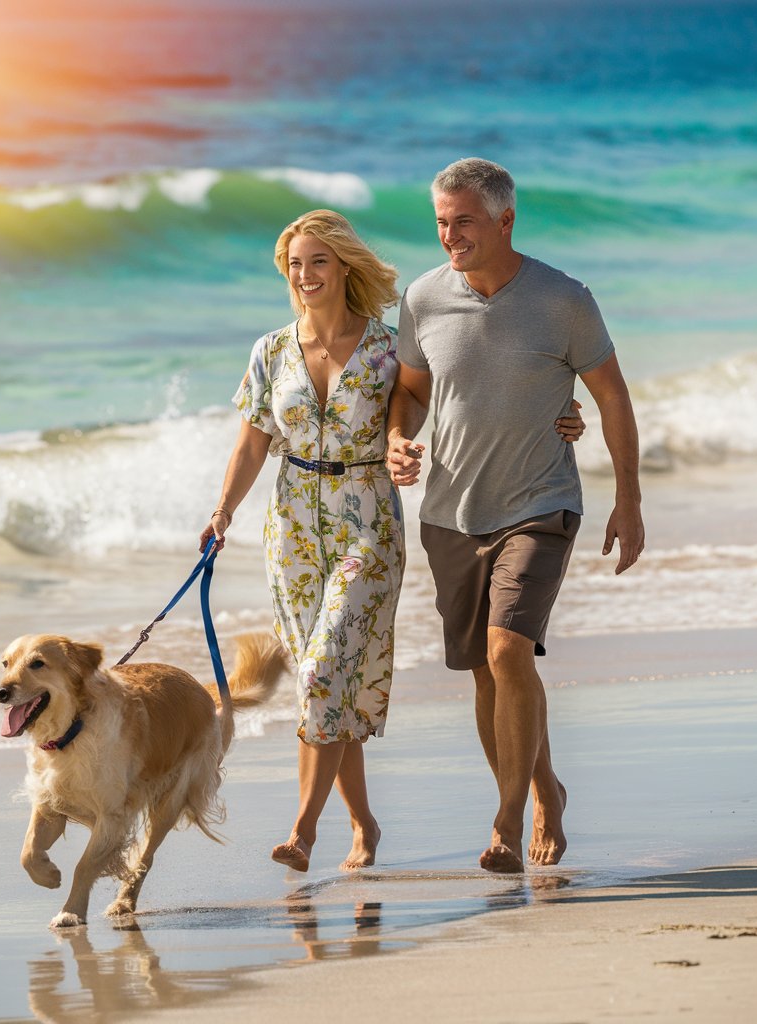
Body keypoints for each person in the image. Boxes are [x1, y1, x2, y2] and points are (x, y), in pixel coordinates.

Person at [201, 208, 587, 873]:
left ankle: (303, 830)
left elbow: (474, 385)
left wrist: (561, 409)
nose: (305, 273)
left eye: (319, 260)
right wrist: (222, 512)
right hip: (291, 525)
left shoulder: (388, 347)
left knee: (325, 669)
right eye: (295, 262)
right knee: (325, 687)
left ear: (345, 267)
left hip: (366, 520)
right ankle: (363, 823)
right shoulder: (270, 350)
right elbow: (252, 442)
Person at [386, 158, 645, 875]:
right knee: (485, 672)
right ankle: (545, 790)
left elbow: (613, 397)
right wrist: (396, 439)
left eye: (463, 220)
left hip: (540, 503)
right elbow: (409, 393)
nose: (449, 235)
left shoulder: (563, 299)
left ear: (505, 220)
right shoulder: (422, 299)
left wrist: (630, 497)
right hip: (450, 511)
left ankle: (506, 816)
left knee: (507, 650)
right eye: (441, 221)